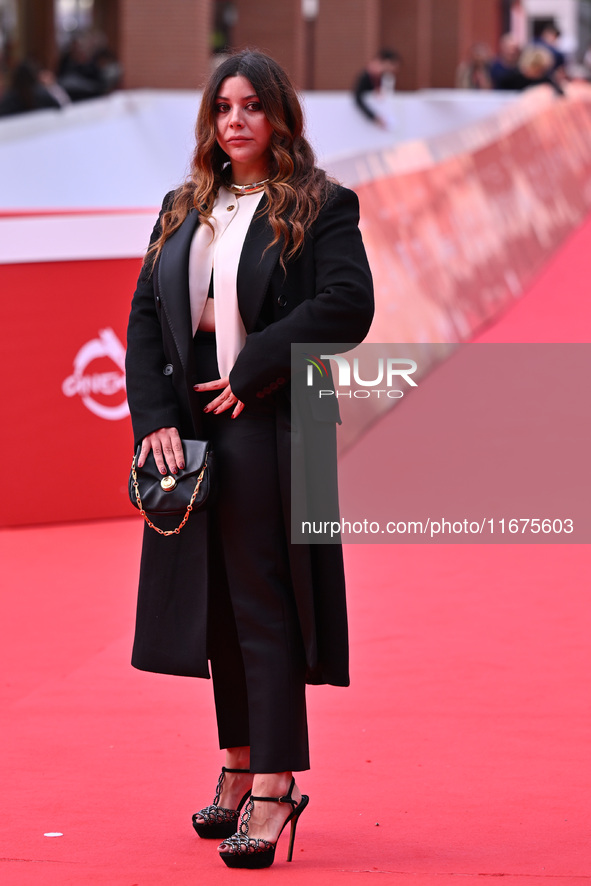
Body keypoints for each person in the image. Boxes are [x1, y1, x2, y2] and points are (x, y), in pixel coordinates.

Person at [125, 49, 374, 869]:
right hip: (190, 426)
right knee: (215, 610)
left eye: (251, 107)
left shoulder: (320, 205)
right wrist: (156, 418)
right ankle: (236, 765)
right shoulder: (180, 205)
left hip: (267, 419)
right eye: (223, 107)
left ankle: (274, 786)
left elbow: (347, 305)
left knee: (264, 605)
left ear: (279, 117)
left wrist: (254, 365)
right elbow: (142, 319)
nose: (235, 120)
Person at [352, 48, 401, 128]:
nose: (393, 69)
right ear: (387, 62)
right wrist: (374, 117)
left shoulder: (385, 77)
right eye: (393, 65)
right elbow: (358, 98)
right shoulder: (366, 76)